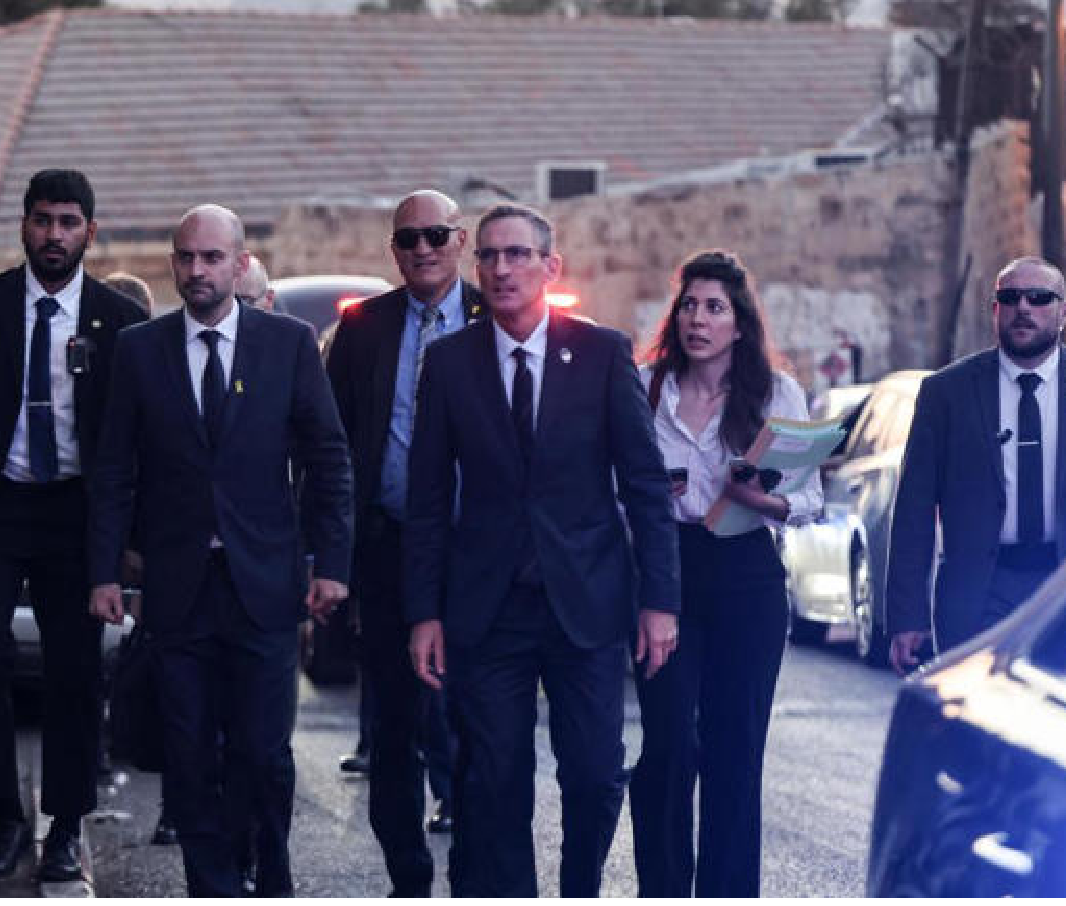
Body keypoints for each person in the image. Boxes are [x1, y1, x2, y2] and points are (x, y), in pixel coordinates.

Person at [404, 203, 680, 897]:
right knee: (495, 778)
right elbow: (428, 499)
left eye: (518, 254)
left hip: (585, 603)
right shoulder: (449, 363)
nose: (502, 268)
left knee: (594, 771)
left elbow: (645, 486)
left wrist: (659, 602)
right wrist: (424, 612)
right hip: (487, 609)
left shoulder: (602, 354)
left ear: (549, 266)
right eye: (489, 255)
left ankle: (579, 887)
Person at [87, 204, 354, 896]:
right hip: (177, 589)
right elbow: (114, 468)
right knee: (187, 752)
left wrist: (332, 564)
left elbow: (328, 457)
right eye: (185, 257)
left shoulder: (287, 343)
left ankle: (267, 872)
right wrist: (104, 570)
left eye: (211, 258)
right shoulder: (140, 349)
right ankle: (213, 887)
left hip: (264, 585)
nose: (197, 270)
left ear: (240, 265)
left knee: (262, 751)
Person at [0, 169, 150, 883]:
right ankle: (5, 812)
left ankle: (64, 823)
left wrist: (130, 538)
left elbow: (135, 438)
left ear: (90, 231)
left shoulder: (120, 322)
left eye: (67, 222)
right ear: (23, 225)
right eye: (42, 220)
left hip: (76, 513)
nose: (53, 235)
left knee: (75, 672)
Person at [627, 250, 824, 897]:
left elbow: (808, 499)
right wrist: (649, 495)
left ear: (739, 323)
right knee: (667, 745)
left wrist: (758, 497)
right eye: (688, 305)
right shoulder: (644, 385)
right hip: (665, 569)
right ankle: (661, 888)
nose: (698, 319)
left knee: (735, 750)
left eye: (714, 307)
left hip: (745, 571)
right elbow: (607, 485)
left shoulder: (775, 392)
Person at [324, 189, 481, 895]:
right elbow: (330, 448)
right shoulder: (363, 326)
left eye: (435, 235)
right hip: (387, 549)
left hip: (476, 553)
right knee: (394, 724)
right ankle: (408, 876)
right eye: (408, 238)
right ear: (393, 248)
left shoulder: (492, 317)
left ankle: (475, 872)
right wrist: (331, 557)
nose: (422, 249)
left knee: (477, 719)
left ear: (460, 239)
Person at [887, 257, 1066, 673]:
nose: (1023, 307)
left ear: (1064, 312)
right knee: (977, 708)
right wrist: (907, 617)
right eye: (1010, 298)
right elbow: (914, 509)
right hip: (981, 592)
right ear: (995, 310)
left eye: (1038, 298)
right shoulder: (946, 393)